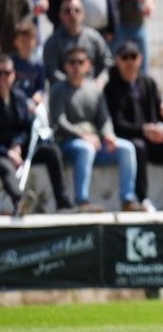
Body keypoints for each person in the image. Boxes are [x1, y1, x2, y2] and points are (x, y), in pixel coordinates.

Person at [104, 40, 163, 212]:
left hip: (154, 139)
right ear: (117, 60)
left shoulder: (148, 83)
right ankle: (142, 198)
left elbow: (162, 115)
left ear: (140, 59)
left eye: (133, 57)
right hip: (132, 139)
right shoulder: (111, 88)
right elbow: (116, 123)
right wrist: (143, 130)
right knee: (138, 147)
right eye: (124, 57)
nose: (129, 62)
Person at [50, 47, 140, 213]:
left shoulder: (94, 90)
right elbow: (59, 122)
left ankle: (128, 199)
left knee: (127, 148)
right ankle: (82, 201)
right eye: (72, 62)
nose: (76, 66)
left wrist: (109, 136)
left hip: (96, 143)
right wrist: (82, 135)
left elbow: (104, 119)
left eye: (80, 62)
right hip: (68, 143)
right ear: (65, 66)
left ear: (88, 65)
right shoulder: (58, 90)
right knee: (86, 148)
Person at [0, 54, 71, 214]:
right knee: (5, 166)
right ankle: (18, 201)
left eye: (7, 73)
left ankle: (63, 202)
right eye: (0, 73)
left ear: (14, 75)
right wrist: (8, 152)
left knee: (52, 152)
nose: (3, 78)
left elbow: (28, 126)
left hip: (20, 149)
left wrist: (18, 144)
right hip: (3, 153)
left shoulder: (18, 98)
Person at [41, 0, 113, 83]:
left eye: (77, 10)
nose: (72, 14)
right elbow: (51, 70)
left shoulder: (94, 38)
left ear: (83, 13)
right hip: (63, 91)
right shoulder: (53, 42)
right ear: (60, 15)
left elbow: (108, 62)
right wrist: (72, 84)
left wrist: (100, 81)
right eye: (67, 11)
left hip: (92, 88)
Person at [11, 22, 44, 105]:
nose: (26, 44)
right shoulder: (11, 62)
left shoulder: (39, 64)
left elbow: (41, 86)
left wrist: (38, 94)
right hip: (14, 101)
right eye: (22, 40)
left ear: (35, 42)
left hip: (32, 101)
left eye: (29, 40)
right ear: (16, 42)